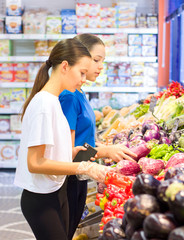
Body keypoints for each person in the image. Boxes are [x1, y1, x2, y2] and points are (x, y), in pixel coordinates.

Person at [14, 38, 113, 240]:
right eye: (82, 72)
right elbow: (34, 163)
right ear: (65, 66)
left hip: (55, 189)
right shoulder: (43, 104)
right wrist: (84, 168)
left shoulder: (53, 101)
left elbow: (49, 151)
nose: (84, 79)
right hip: (40, 198)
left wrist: (71, 153)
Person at [59, 34, 137, 240]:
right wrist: (105, 151)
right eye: (96, 60)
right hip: (69, 177)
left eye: (102, 60)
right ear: (79, 58)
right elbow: (67, 148)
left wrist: (100, 145)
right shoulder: (69, 95)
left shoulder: (80, 92)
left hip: (80, 175)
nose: (100, 66)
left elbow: (82, 137)